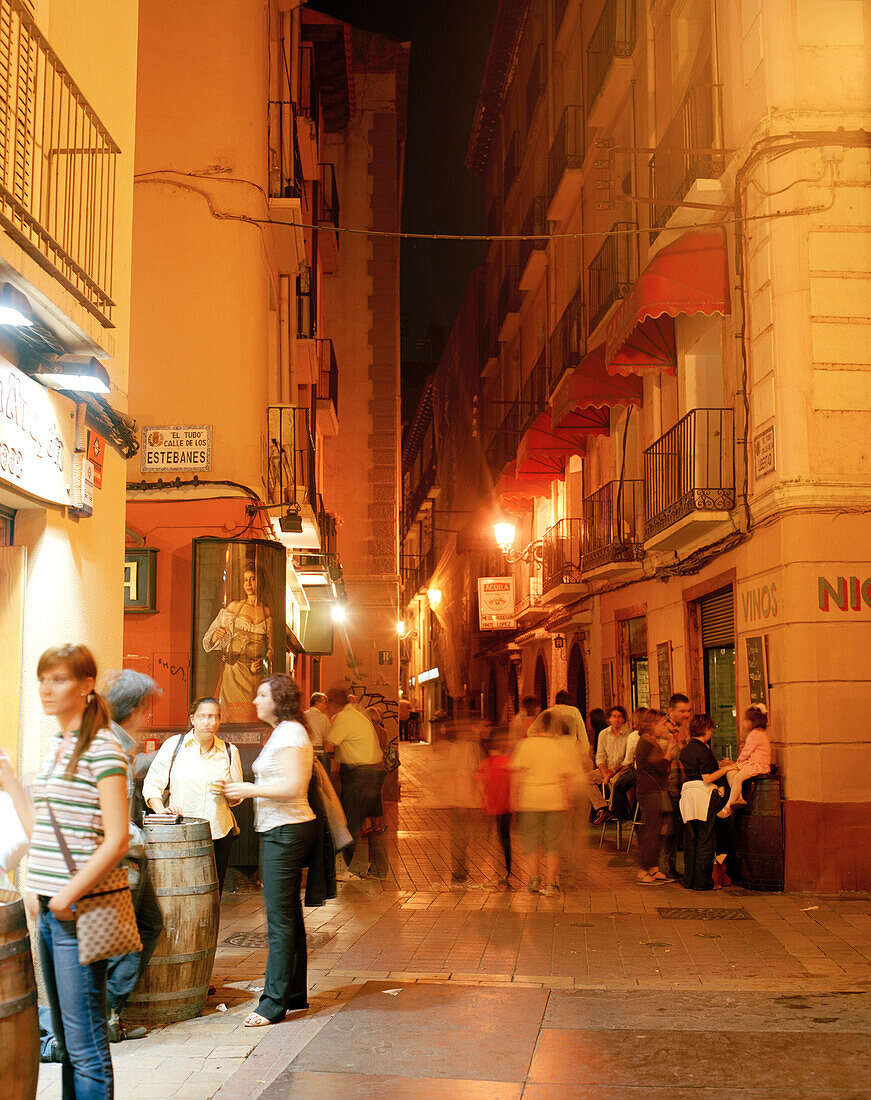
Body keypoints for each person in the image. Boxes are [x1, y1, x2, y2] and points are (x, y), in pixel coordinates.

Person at [25, 644, 130, 1099]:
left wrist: (66, 894)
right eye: (43, 679)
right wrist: (12, 786)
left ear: (87, 686)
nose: (47, 689)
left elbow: (117, 838)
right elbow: (45, 831)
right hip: (51, 910)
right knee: (67, 1043)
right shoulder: (57, 745)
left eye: (59, 679)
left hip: (80, 910)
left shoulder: (104, 748)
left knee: (86, 1046)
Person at [221, 676, 317, 1027]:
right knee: (287, 915)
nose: (255, 701)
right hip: (282, 828)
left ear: (280, 699)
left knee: (279, 919)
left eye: (262, 695)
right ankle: (293, 994)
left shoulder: (290, 732)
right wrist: (247, 791)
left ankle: (272, 1004)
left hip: (286, 831)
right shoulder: (285, 731)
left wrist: (249, 789)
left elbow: (294, 785)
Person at [103, 669, 165, 1043]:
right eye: (147, 706)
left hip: (125, 854)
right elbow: (117, 812)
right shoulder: (111, 746)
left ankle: (110, 1013)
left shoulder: (118, 741)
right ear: (137, 707)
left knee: (147, 925)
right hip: (122, 858)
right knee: (130, 936)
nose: (150, 715)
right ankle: (106, 1013)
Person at [143, 697, 243, 896]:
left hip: (218, 832)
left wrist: (228, 790)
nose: (210, 722)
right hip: (181, 832)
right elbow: (152, 784)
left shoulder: (229, 751)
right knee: (180, 891)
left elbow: (236, 798)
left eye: (215, 717)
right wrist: (161, 811)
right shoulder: (175, 746)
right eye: (204, 717)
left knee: (214, 893)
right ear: (192, 719)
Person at [510, 710, 581, 896]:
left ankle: (533, 879)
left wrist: (514, 800)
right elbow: (566, 779)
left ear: (539, 725)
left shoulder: (525, 745)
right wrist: (569, 802)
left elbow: (517, 775)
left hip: (530, 799)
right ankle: (550, 883)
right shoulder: (560, 747)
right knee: (553, 844)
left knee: (531, 842)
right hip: (555, 800)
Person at [325, 687, 385, 879]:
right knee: (372, 826)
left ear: (334, 702)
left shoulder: (343, 718)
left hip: (359, 775)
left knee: (351, 823)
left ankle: (349, 869)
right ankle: (378, 869)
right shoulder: (358, 715)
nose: (326, 707)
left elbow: (328, 746)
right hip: (375, 772)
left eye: (328, 702)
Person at [202, 562, 273, 721]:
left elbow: (270, 648)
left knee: (251, 716)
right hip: (234, 670)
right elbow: (209, 639)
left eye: (252, 579)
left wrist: (263, 662)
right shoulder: (234, 607)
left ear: (260, 581)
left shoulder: (266, 612)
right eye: (245, 580)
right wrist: (216, 636)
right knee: (233, 715)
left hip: (255, 674)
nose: (248, 584)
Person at [679, 713, 734, 890]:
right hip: (703, 796)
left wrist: (717, 764)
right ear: (705, 730)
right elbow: (708, 777)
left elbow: (696, 770)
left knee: (691, 840)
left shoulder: (686, 749)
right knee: (706, 839)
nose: (711, 732)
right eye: (710, 729)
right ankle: (703, 882)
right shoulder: (704, 749)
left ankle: (689, 880)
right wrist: (728, 769)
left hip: (687, 795)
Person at [634, 708, 671, 885]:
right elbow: (662, 766)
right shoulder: (647, 742)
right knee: (651, 829)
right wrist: (670, 749)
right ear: (652, 724)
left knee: (658, 829)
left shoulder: (650, 741)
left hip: (652, 790)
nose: (665, 727)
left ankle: (653, 867)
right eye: (663, 724)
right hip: (650, 791)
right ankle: (643, 870)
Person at [718, 705, 772, 818]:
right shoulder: (759, 733)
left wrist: (736, 763)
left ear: (753, 722)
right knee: (731, 772)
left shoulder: (755, 734)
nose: (743, 723)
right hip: (753, 763)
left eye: (746, 721)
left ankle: (728, 807)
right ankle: (739, 797)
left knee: (737, 777)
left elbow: (746, 752)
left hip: (758, 764)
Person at [474, 732, 513, 887]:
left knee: (488, 840)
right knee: (504, 839)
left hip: (490, 807)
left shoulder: (486, 763)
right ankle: (506, 869)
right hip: (507, 807)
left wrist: (484, 796)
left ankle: (488, 871)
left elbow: (478, 781)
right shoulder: (509, 762)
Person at [589, 706, 629, 823]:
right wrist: (604, 772)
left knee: (615, 781)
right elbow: (600, 756)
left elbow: (628, 759)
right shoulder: (603, 734)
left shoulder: (628, 734)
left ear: (624, 719)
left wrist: (613, 772)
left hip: (621, 768)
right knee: (585, 779)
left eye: (620, 716)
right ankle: (602, 808)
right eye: (614, 716)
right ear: (609, 719)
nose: (616, 719)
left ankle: (611, 810)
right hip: (606, 767)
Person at [608, 707, 647, 821]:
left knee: (618, 786)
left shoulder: (634, 736)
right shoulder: (655, 734)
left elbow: (628, 760)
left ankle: (623, 818)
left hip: (639, 772)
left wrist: (616, 770)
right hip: (654, 774)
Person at [304, 692, 331, 769]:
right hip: (320, 754)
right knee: (323, 779)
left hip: (306, 753)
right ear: (317, 703)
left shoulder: (303, 715)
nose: (326, 706)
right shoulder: (323, 717)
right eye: (325, 702)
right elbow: (327, 737)